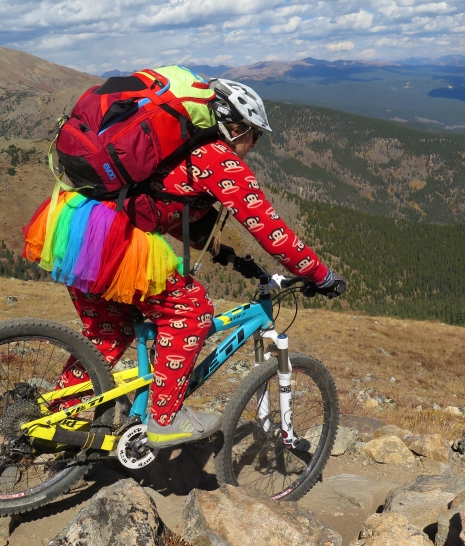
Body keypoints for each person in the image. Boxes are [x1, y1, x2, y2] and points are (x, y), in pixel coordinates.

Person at [27, 78, 347, 449]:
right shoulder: (218, 158)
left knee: (108, 334)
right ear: (236, 126)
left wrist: (224, 254)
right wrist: (320, 275)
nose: (253, 146)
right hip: (117, 243)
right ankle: (165, 419)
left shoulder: (174, 149)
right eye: (254, 136)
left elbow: (162, 205)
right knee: (192, 310)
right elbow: (270, 230)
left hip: (77, 228)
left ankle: (48, 420)